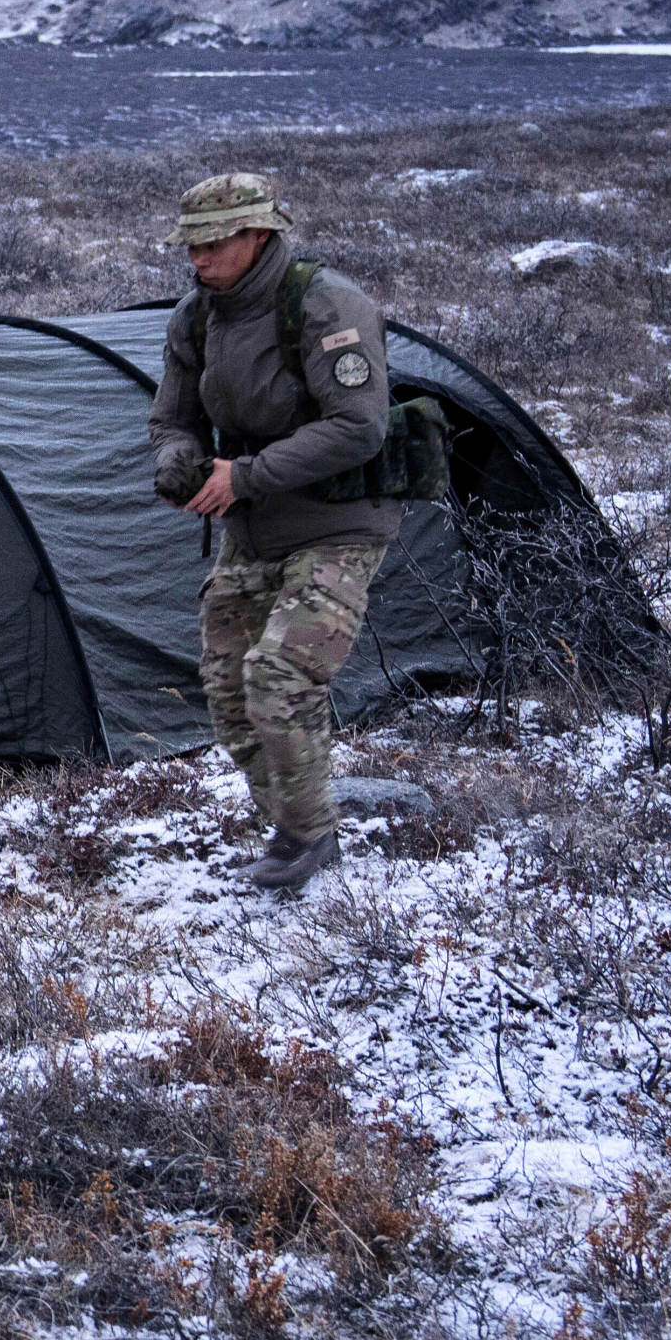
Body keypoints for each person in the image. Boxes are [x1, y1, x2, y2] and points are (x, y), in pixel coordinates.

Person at [149, 172, 409, 891]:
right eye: (190, 246)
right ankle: (301, 822)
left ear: (257, 234)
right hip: (252, 525)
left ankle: (303, 839)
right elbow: (172, 418)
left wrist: (244, 476)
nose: (197, 259)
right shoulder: (195, 318)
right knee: (228, 689)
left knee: (279, 674)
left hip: (338, 521)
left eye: (212, 243)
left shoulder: (325, 304)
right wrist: (180, 467)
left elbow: (359, 426)